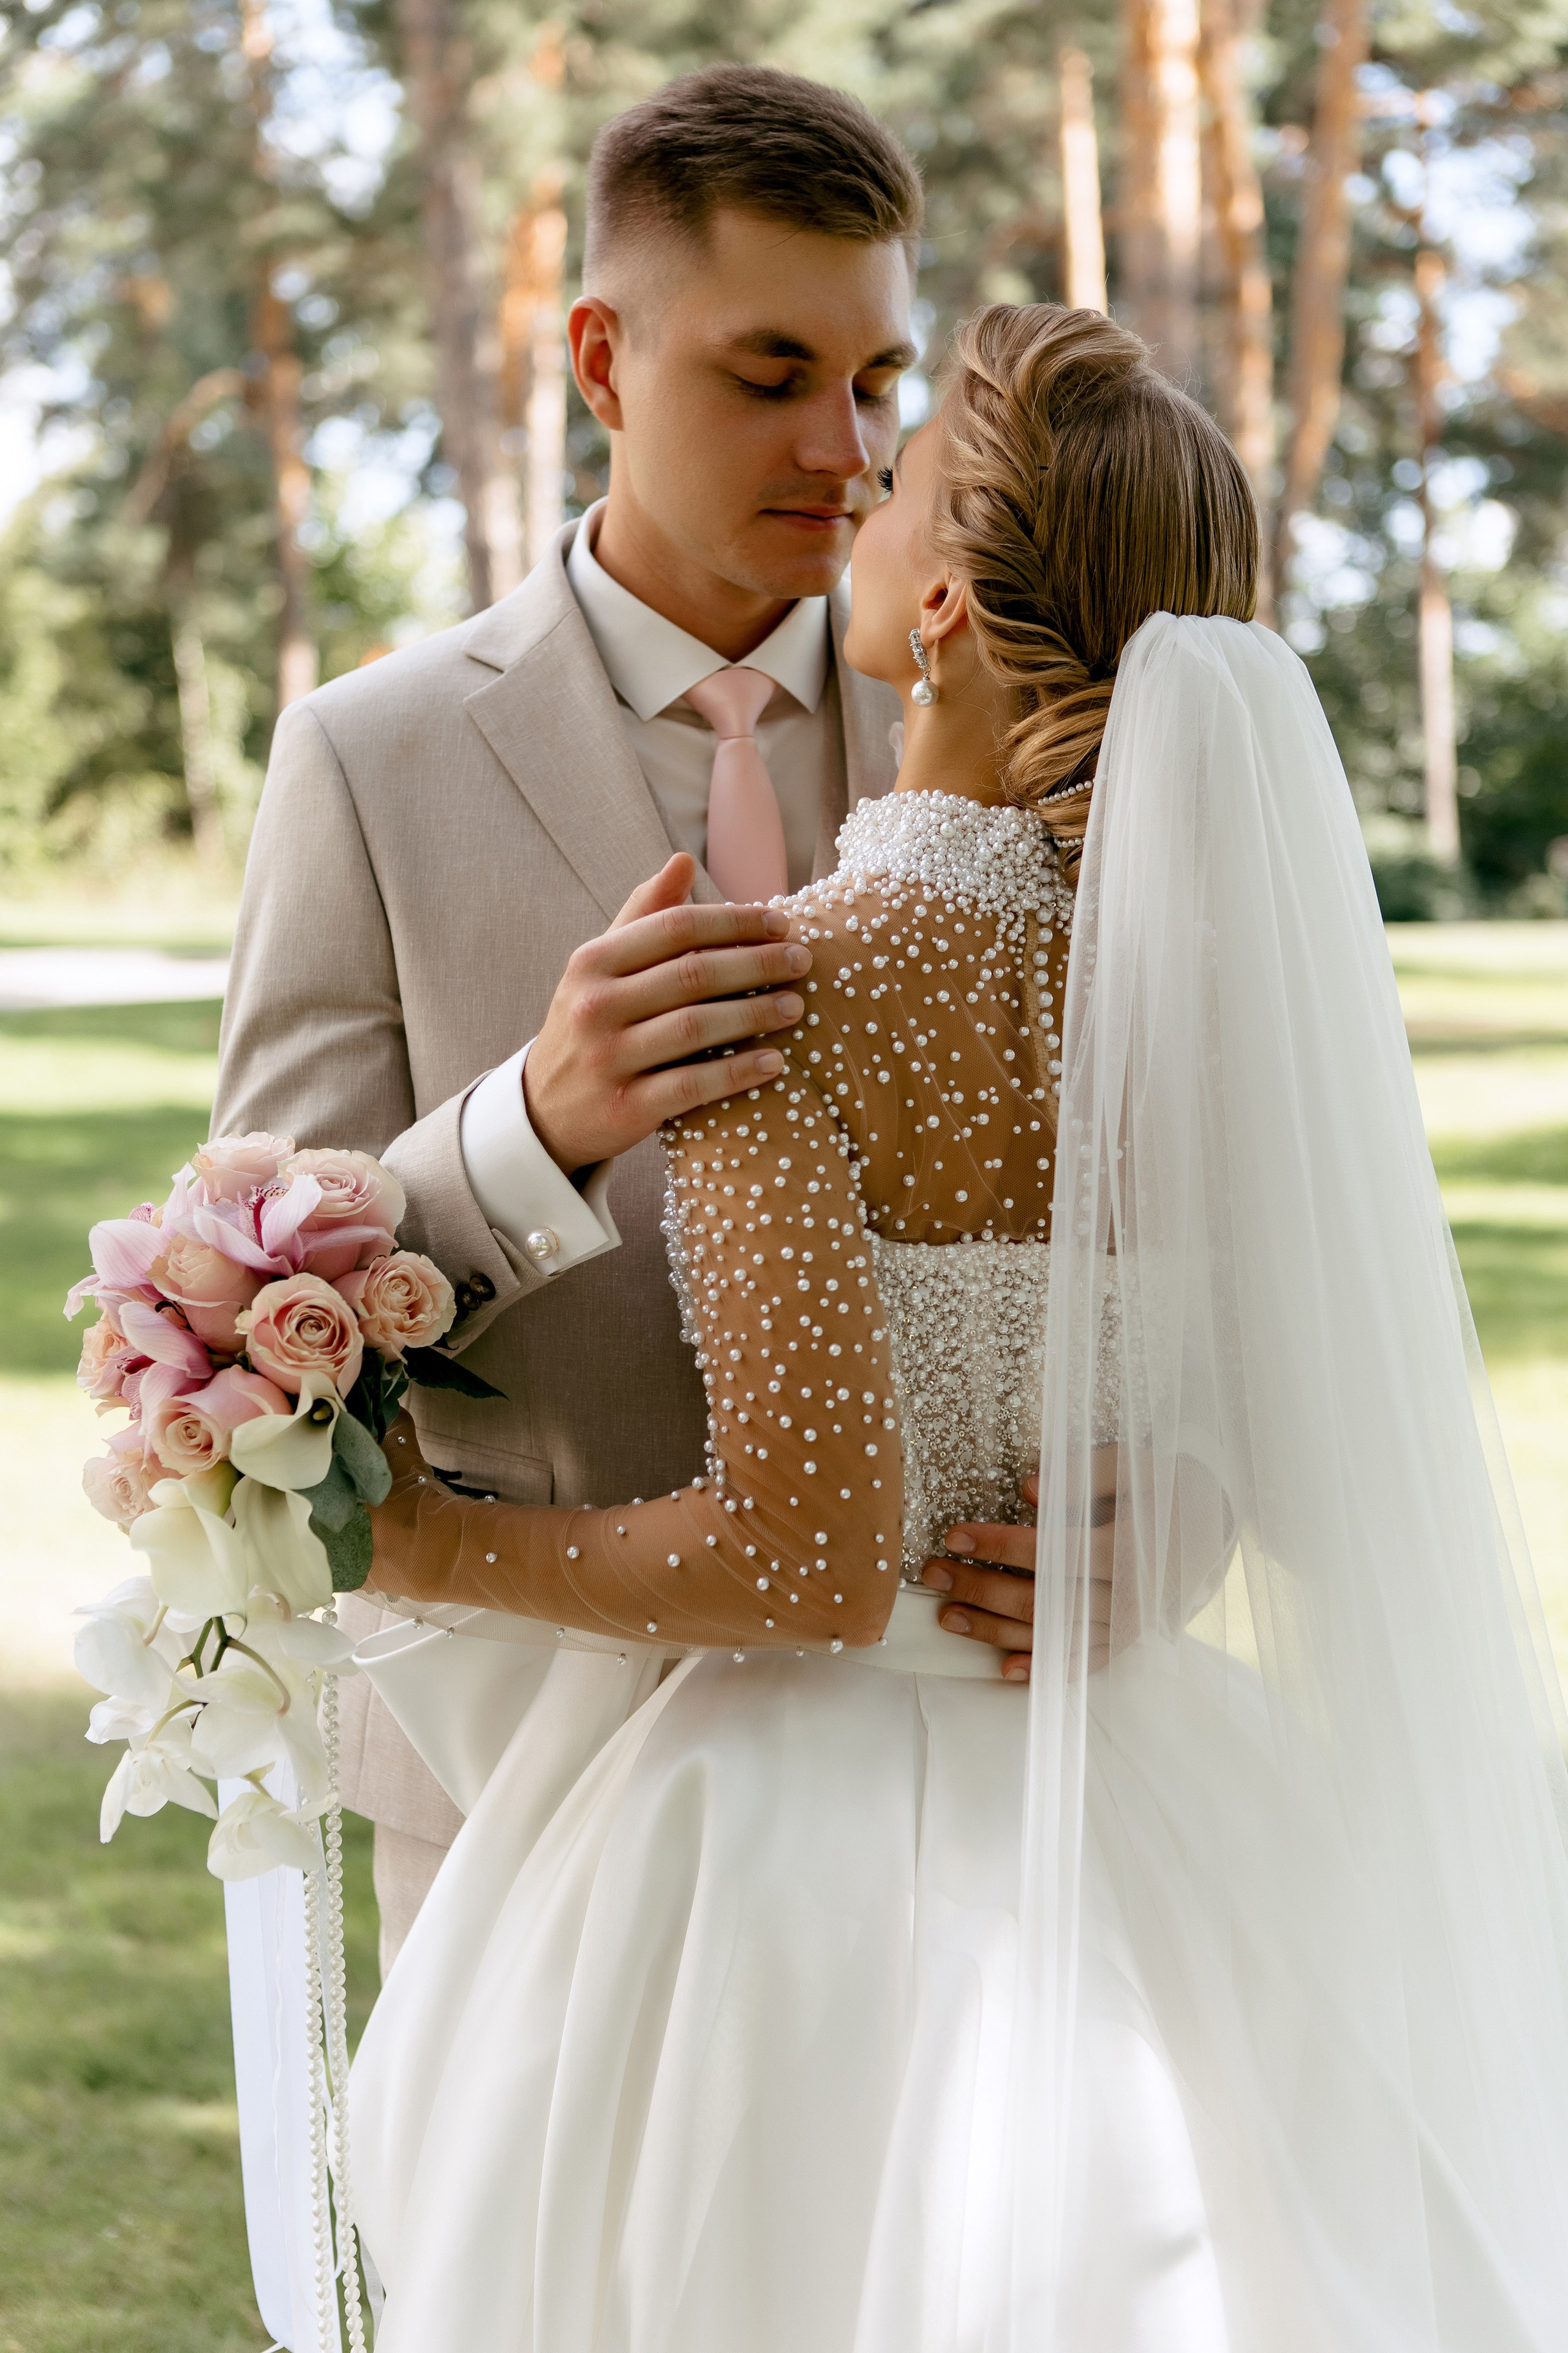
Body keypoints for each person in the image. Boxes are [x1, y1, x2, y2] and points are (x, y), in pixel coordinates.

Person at [351, 304, 1568, 2349]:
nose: (857, 479)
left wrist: (411, 1538)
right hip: (1163, 1788)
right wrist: (1178, 1509)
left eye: (901, 472)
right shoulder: (1205, 1010)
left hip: (794, 1856)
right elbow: (1312, 1420)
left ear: (936, 604)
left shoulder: (782, 992)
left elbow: (809, 1561)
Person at [209, 66, 1040, 1975]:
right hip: (524, 1778)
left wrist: (1175, 1518)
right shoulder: (368, 758)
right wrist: (535, 1124)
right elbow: (244, 1316)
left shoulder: (1005, 723)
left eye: (879, 381)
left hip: (955, 1784)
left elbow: (1188, 1225)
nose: (845, 447)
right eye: (771, 374)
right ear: (601, 358)